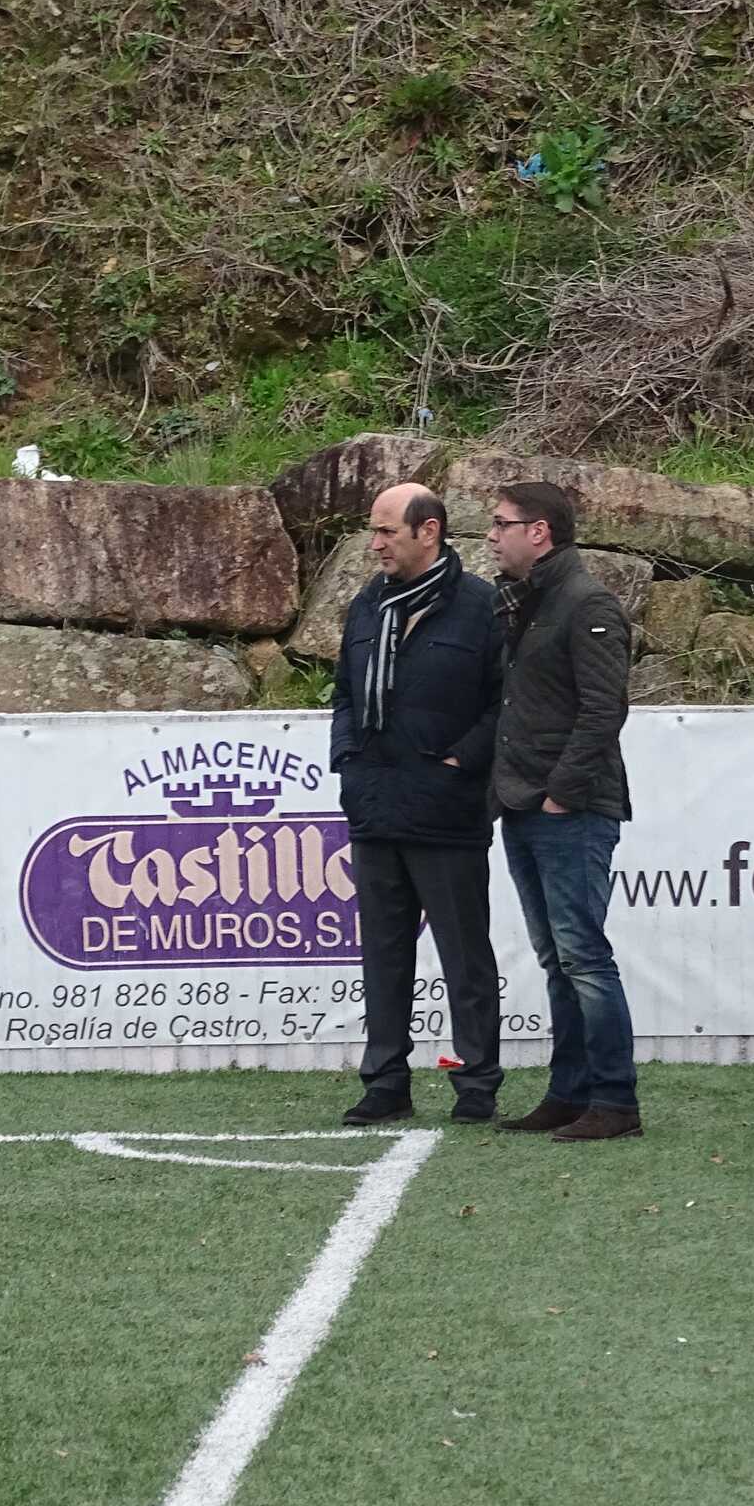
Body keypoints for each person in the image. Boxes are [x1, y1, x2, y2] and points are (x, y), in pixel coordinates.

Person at [328, 483, 503, 1127]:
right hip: (375, 807)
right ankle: (386, 1083)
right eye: (373, 532)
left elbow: (503, 703)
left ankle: (477, 1083)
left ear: (428, 532)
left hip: (448, 812)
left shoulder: (482, 607)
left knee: (465, 956)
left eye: (386, 532)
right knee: (383, 956)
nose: (374, 545)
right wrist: (348, 760)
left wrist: (460, 763)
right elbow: (345, 694)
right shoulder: (366, 605)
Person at [484, 480, 642, 1142]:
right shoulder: (527, 602)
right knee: (558, 959)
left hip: (567, 809)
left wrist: (561, 795)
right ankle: (569, 1093)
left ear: (539, 532)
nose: (491, 535)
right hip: (525, 804)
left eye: (501, 523)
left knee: (583, 957)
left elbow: (605, 709)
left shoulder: (587, 602)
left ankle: (615, 1100)